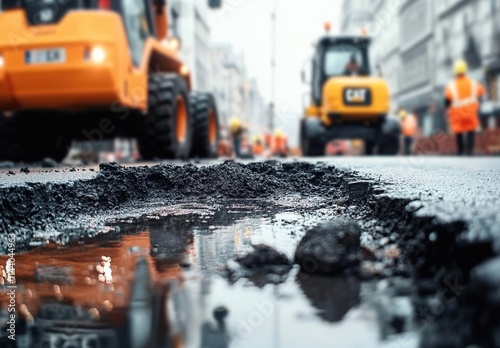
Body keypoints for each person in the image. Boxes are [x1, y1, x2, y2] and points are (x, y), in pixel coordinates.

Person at [444, 59, 486, 156]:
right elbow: (481, 92)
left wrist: (447, 111)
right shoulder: (473, 83)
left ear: (455, 72)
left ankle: (460, 151)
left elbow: (447, 101)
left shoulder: (451, 85)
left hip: (457, 113)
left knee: (458, 132)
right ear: (465, 70)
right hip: (470, 112)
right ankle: (469, 151)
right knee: (470, 130)